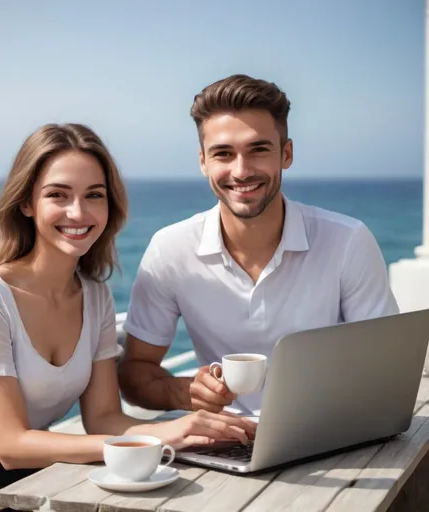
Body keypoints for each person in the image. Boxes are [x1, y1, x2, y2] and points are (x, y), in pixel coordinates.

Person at [0, 123, 255, 512]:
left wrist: (190, 430)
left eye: (94, 195)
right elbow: (10, 446)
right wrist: (162, 439)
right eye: (57, 195)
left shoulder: (95, 297)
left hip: (43, 476)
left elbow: (105, 418)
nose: (78, 212)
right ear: (26, 203)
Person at [118, 74, 400, 418]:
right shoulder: (170, 249)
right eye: (223, 153)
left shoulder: (347, 240)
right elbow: (134, 374)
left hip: (326, 434)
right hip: (222, 443)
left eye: (258, 150)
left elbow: (386, 371)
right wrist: (184, 391)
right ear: (203, 161)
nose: (241, 170)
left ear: (286, 153)